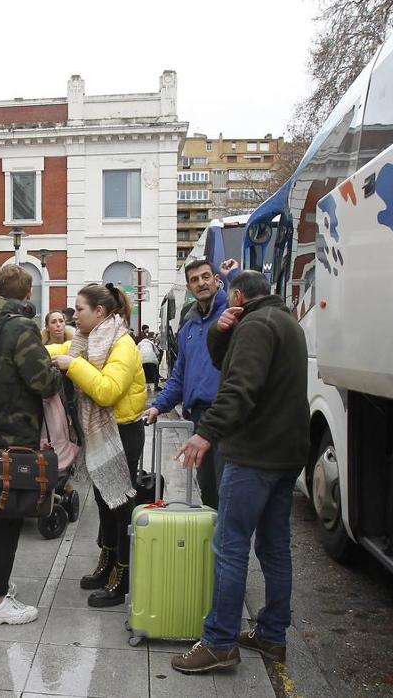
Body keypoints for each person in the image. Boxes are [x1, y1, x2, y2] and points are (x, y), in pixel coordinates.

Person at [170, 271, 309, 675]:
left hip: (254, 455)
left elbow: (237, 386)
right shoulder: (284, 321)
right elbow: (227, 364)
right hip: (286, 454)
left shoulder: (255, 326)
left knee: (230, 545)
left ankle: (218, 642)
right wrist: (220, 334)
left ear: (235, 295)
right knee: (274, 546)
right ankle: (271, 633)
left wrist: (206, 434)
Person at [0, 265, 63, 625]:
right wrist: (56, 369)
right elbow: (42, 381)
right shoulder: (21, 327)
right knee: (7, 515)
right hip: (13, 434)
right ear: (27, 293)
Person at [51, 282, 146, 607]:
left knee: (119, 505)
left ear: (100, 312)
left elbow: (107, 391)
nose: (74, 316)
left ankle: (123, 576)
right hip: (103, 433)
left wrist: (73, 367)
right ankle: (106, 564)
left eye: (79, 310)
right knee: (104, 502)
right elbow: (62, 352)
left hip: (122, 434)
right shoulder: (87, 340)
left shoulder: (122, 344)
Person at [142, 258, 240, 510]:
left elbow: (253, 301)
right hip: (199, 418)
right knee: (207, 490)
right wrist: (159, 406)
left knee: (227, 490)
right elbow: (180, 376)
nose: (201, 283)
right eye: (195, 280)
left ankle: (227, 547)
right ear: (188, 287)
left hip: (227, 416)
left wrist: (235, 276)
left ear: (216, 280)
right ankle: (213, 545)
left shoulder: (231, 313)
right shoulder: (188, 328)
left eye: (206, 277)